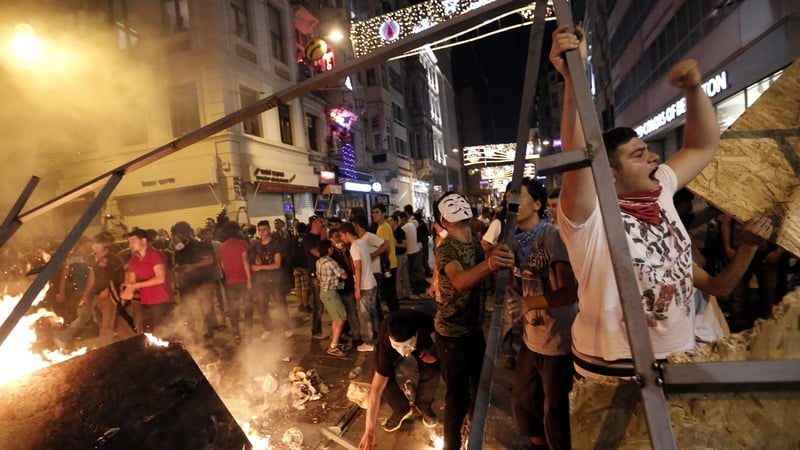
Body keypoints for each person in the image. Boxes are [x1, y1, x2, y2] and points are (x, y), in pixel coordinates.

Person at [551, 24, 721, 374]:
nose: (654, 158)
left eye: (647, 150)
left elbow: (701, 146)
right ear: (609, 173)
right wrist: (574, 76)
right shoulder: (589, 217)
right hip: (616, 366)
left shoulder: (659, 189)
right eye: (638, 155)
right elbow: (579, 156)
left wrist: (693, 90)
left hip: (678, 357)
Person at [433, 191, 514, 450]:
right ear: (444, 220)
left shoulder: (474, 239)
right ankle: (452, 445)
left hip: (473, 328)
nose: (459, 205)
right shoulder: (446, 249)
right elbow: (459, 280)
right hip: (451, 333)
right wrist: (490, 265)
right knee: (456, 397)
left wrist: (494, 255)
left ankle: (472, 426)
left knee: (479, 387)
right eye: (451, 204)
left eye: (460, 200)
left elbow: (483, 256)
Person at [505, 179, 579, 450]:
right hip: (531, 336)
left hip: (558, 340)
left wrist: (528, 302)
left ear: (537, 204)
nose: (510, 201)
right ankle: (538, 445)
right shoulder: (512, 240)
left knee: (556, 409)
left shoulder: (551, 236)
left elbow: (570, 292)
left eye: (518, 196)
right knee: (525, 400)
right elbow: (516, 285)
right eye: (508, 197)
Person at [358, 310, 440, 450]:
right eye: (397, 346)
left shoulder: (425, 322)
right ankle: (401, 409)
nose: (402, 353)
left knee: (433, 368)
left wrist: (434, 351)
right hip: (388, 347)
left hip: (420, 342)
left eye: (406, 346)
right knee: (381, 378)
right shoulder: (385, 346)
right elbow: (375, 391)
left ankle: (424, 405)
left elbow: (449, 334)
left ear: (416, 334)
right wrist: (369, 431)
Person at [172, 221, 220, 342]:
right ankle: (191, 334)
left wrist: (193, 266)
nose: (176, 238)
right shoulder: (179, 248)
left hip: (202, 283)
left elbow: (210, 260)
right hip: (186, 284)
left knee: (205, 309)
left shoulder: (201, 245)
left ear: (185, 234)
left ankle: (208, 333)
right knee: (187, 310)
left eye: (177, 235)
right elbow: (178, 262)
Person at [121, 228, 174, 334]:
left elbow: (160, 278)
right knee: (149, 333)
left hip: (161, 301)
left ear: (144, 241)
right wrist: (128, 291)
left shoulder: (155, 255)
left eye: (133, 241)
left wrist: (135, 286)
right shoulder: (134, 260)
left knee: (164, 334)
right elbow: (132, 281)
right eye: (129, 242)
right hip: (145, 302)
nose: (130, 245)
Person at [249, 220, 293, 340]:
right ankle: (268, 328)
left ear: (269, 230)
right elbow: (254, 260)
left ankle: (287, 327)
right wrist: (256, 262)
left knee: (280, 304)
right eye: (259, 230)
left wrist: (260, 267)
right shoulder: (257, 246)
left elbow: (277, 264)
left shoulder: (275, 244)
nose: (262, 232)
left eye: (264, 229)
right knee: (262, 305)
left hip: (275, 279)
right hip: (261, 281)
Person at [339, 222, 378, 352]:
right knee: (372, 312)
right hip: (372, 282)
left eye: (341, 235)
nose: (341, 239)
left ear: (347, 233)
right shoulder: (362, 242)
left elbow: (358, 267)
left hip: (364, 285)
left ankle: (368, 341)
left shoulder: (355, 247)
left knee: (364, 315)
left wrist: (357, 288)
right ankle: (376, 336)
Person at [89, 231, 131, 347]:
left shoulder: (113, 259)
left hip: (110, 296)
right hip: (99, 295)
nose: (94, 246)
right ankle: (133, 341)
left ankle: (104, 349)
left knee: (106, 326)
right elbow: (93, 276)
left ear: (105, 245)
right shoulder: (93, 258)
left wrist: (108, 289)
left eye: (97, 243)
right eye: (94, 243)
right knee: (117, 323)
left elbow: (119, 276)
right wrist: (88, 294)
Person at [53, 236, 95, 347]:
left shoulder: (70, 259)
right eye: (88, 243)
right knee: (84, 316)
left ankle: (67, 338)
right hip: (89, 291)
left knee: (87, 316)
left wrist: (62, 292)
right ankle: (63, 337)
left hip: (78, 292)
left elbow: (64, 276)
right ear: (82, 245)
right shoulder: (89, 257)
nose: (90, 245)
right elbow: (92, 276)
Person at [218, 221, 252, 344]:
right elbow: (245, 261)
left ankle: (236, 334)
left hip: (230, 281)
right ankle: (248, 331)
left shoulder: (222, 246)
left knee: (233, 309)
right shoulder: (242, 243)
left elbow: (222, 265)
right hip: (242, 279)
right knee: (248, 306)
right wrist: (249, 280)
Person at [315, 239, 349, 357]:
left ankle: (335, 342)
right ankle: (333, 347)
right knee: (341, 318)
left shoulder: (319, 261)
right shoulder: (331, 262)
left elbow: (318, 277)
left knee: (336, 318)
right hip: (331, 293)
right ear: (328, 249)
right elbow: (344, 276)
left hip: (324, 292)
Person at [330, 228, 361, 342]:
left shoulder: (348, 250)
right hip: (337, 288)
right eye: (336, 237)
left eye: (340, 236)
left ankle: (356, 335)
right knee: (339, 315)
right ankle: (340, 335)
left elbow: (351, 266)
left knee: (351, 310)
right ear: (331, 239)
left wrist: (344, 253)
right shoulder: (330, 254)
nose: (339, 239)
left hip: (347, 286)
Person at [372, 204, 399, 314]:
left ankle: (395, 316)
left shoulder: (383, 227)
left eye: (377, 212)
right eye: (373, 213)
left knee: (390, 294)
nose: (374, 215)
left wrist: (373, 255)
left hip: (388, 265)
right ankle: (395, 315)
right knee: (390, 293)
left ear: (384, 214)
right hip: (390, 264)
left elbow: (386, 246)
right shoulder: (384, 226)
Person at [304, 215, 328, 340]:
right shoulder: (308, 238)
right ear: (313, 224)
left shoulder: (321, 236)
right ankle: (316, 331)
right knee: (318, 305)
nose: (322, 224)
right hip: (315, 274)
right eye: (319, 222)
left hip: (325, 273)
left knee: (323, 303)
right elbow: (319, 253)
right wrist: (323, 237)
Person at [390, 212, 411, 301]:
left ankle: (400, 295)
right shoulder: (394, 231)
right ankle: (407, 293)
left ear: (395, 221)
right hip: (400, 255)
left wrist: (397, 245)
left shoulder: (400, 231)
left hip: (400, 256)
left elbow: (405, 244)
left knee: (398, 276)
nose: (389, 222)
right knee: (404, 275)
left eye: (391, 220)